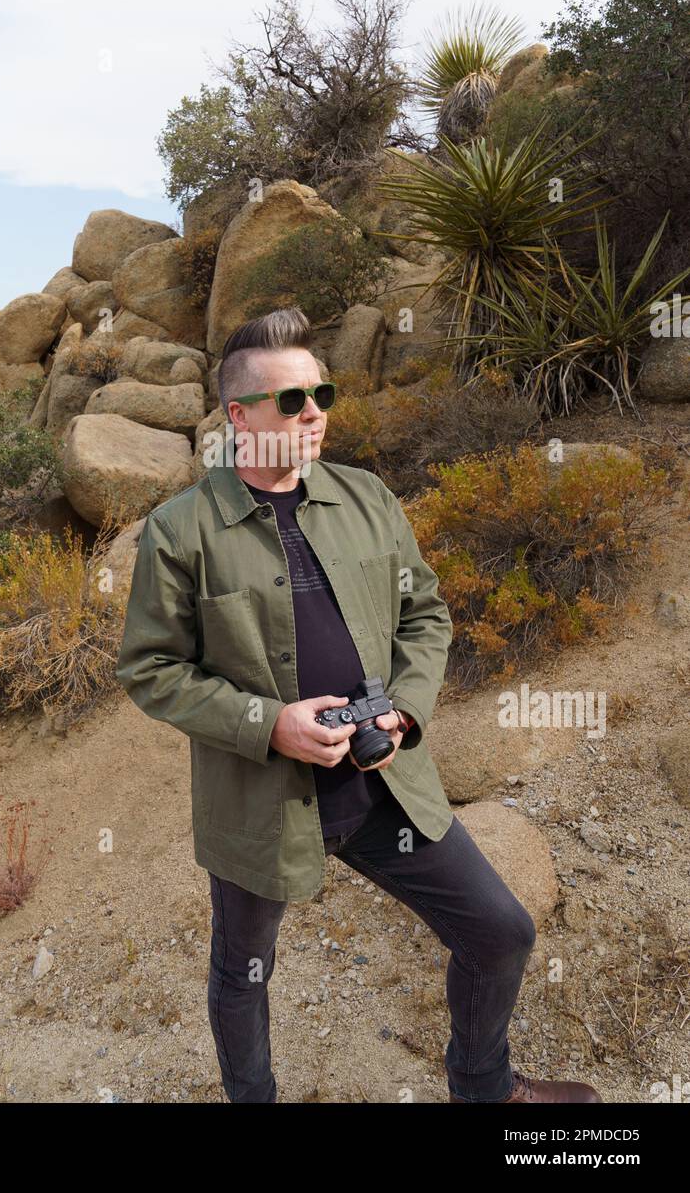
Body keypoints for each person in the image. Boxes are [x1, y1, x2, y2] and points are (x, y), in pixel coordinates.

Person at [116, 306, 602, 1105]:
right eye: (292, 401)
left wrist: (404, 710)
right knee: (244, 973)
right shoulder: (180, 531)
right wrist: (269, 724)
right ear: (238, 417)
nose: (316, 415)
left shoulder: (368, 496)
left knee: (499, 932)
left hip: (385, 785)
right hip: (262, 804)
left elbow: (425, 615)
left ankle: (484, 1089)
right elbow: (152, 669)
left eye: (323, 394)